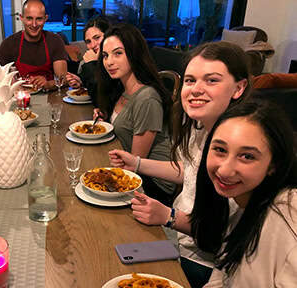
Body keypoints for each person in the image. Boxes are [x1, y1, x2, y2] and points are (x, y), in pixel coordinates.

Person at [108, 41, 252, 287]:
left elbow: (219, 235)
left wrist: (168, 216)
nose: (196, 89)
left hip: (207, 263)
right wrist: (137, 163)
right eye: (190, 80)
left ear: (238, 88)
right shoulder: (199, 126)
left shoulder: (238, 149)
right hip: (176, 238)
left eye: (212, 80)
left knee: (110, 264)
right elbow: (188, 170)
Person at [194, 101, 297, 287]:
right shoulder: (242, 203)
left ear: (274, 165)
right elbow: (221, 279)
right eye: (220, 150)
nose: (225, 170)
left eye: (247, 156)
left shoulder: (288, 211)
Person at [97, 23, 175, 205]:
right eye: (105, 56)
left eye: (118, 53)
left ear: (134, 53)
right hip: (129, 167)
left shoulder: (147, 97)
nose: (109, 62)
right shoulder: (122, 88)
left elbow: (136, 161)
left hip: (153, 183)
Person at [0, 0, 68, 90]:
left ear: (45, 19)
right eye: (29, 18)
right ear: (22, 18)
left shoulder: (55, 41)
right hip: (18, 98)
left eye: (39, 19)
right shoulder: (8, 44)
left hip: (49, 97)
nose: (34, 24)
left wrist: (48, 84)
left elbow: (64, 79)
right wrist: (11, 84)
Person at [66, 16, 110, 106]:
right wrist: (81, 82)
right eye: (88, 41)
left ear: (108, 35)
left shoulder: (114, 63)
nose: (93, 45)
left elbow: (102, 99)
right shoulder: (89, 62)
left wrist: (91, 64)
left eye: (97, 38)